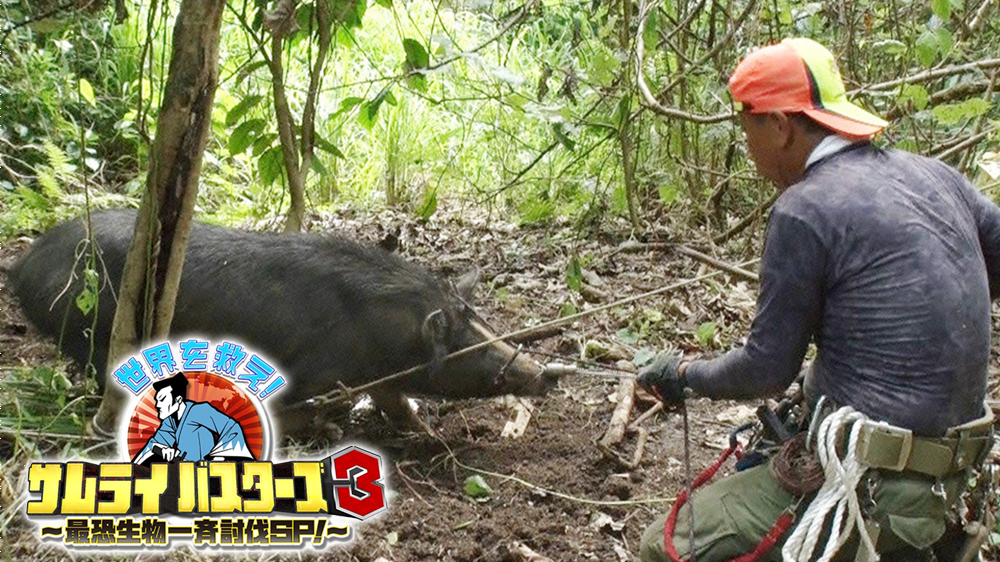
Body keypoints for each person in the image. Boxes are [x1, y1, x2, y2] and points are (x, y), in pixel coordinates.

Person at [637, 37, 997, 562]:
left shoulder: (804, 209)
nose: (749, 149)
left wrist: (684, 374)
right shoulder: (937, 177)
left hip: (873, 487)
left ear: (780, 125)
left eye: (748, 130)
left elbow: (765, 369)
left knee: (665, 546)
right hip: (950, 478)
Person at [132, 374, 256, 465]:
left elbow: (231, 428)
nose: (157, 405)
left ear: (179, 399)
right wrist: (163, 449)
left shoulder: (200, 411)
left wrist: (219, 457)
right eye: (157, 400)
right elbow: (153, 444)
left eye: (163, 399)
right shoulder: (169, 422)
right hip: (185, 474)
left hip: (208, 472)